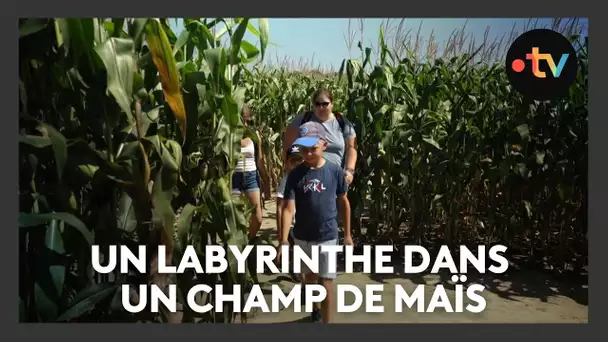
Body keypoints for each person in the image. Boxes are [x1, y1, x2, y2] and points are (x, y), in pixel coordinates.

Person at [278, 121, 353, 324]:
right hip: (302, 236)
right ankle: (315, 309)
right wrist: (284, 240)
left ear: (324, 145)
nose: (308, 154)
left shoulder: (335, 172)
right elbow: (288, 208)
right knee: (310, 278)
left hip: (327, 235)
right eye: (304, 150)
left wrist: (347, 235)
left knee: (327, 282)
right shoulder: (295, 175)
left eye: (313, 149)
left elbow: (343, 203)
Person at [282, 88, 358, 186]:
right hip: (307, 179)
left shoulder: (342, 122)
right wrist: (289, 170)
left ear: (332, 104)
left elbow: (351, 148)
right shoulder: (304, 119)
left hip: (335, 180)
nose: (321, 107)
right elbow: (288, 146)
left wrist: (349, 171)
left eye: (325, 104)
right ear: (313, 105)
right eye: (317, 104)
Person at [232, 104, 271, 241]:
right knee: (235, 218)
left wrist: (266, 182)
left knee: (258, 218)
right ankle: (237, 245)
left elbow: (260, 160)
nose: (244, 123)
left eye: (246, 120)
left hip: (251, 176)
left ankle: (249, 239)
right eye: (241, 120)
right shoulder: (228, 134)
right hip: (233, 177)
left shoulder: (254, 136)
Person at [275, 145, 304, 282]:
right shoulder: (286, 180)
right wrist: (282, 235)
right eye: (293, 161)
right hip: (291, 225)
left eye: (300, 160)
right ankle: (296, 270)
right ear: (287, 162)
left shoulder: (308, 176)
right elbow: (280, 208)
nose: (297, 164)